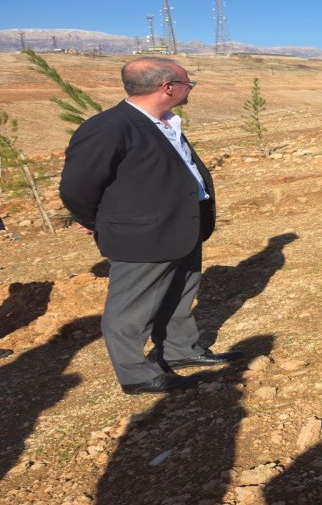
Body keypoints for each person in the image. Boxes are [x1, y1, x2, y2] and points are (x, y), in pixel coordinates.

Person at [60, 58, 241, 394]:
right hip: (140, 234)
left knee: (180, 293)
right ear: (167, 87)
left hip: (182, 226)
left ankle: (181, 351)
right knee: (130, 308)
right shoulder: (109, 127)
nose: (191, 89)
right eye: (189, 83)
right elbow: (77, 187)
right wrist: (96, 220)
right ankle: (136, 374)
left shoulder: (165, 122)